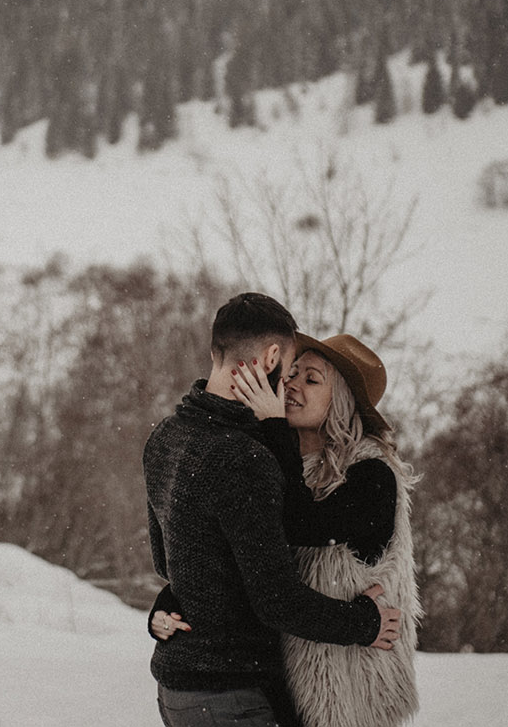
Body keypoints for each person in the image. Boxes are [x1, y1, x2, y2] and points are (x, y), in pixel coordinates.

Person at [143, 294, 403, 727]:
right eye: (292, 369)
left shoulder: (167, 436)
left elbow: (169, 560)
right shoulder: (246, 456)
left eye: (311, 379)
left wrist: (179, 598)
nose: (291, 384)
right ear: (271, 359)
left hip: (184, 687)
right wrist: (364, 624)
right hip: (231, 692)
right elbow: (276, 599)